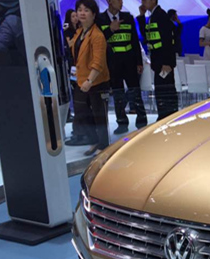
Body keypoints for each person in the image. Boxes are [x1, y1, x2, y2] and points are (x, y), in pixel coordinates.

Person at [96, 0, 147, 135]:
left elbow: (135, 40)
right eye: (118, 0)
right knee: (117, 93)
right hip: (112, 63)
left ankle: (142, 121)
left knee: (135, 91)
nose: (121, 2)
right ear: (109, 1)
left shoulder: (128, 17)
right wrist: (110, 29)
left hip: (129, 61)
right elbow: (99, 41)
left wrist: (139, 62)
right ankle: (122, 123)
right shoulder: (100, 19)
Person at [70, 0, 111, 156]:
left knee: (99, 115)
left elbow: (98, 62)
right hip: (81, 80)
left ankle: (103, 144)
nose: (82, 13)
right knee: (83, 112)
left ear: (94, 14)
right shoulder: (80, 32)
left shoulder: (97, 35)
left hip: (96, 81)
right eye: (79, 10)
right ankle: (94, 140)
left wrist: (90, 80)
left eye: (86, 10)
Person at [138, 0, 177, 121]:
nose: (143, 2)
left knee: (165, 92)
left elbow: (168, 40)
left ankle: (168, 117)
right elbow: (146, 37)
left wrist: (167, 62)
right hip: (157, 62)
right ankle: (164, 116)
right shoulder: (152, 16)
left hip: (163, 63)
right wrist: (141, 16)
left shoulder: (161, 15)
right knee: (160, 91)